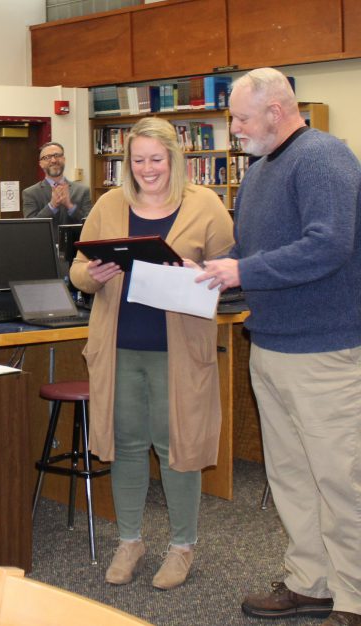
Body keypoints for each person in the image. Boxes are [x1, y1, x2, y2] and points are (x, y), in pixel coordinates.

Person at [198, 68, 361, 626]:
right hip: (269, 344)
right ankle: (310, 582)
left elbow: (328, 244)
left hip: (324, 351)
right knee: (291, 477)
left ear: (275, 109)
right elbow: (258, 254)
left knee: (340, 479)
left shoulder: (322, 157)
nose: (233, 129)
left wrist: (243, 267)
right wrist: (218, 275)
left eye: (240, 118)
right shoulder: (262, 170)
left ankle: (354, 596)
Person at [70, 117, 233, 590]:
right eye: (137, 160)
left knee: (178, 447)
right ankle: (130, 541)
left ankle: (182, 547)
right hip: (119, 348)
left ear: (175, 158)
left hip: (178, 352)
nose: (147, 169)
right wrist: (91, 276)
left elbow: (228, 270)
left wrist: (197, 270)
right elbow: (79, 269)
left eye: (155, 160)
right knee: (127, 448)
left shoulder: (207, 206)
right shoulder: (108, 203)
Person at [22, 141, 92, 234]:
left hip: (75, 247)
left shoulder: (83, 191)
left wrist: (70, 206)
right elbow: (31, 227)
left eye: (57, 155)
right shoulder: (30, 193)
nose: (54, 160)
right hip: (45, 247)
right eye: (47, 157)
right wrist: (52, 206)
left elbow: (90, 224)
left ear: (64, 159)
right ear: (41, 164)